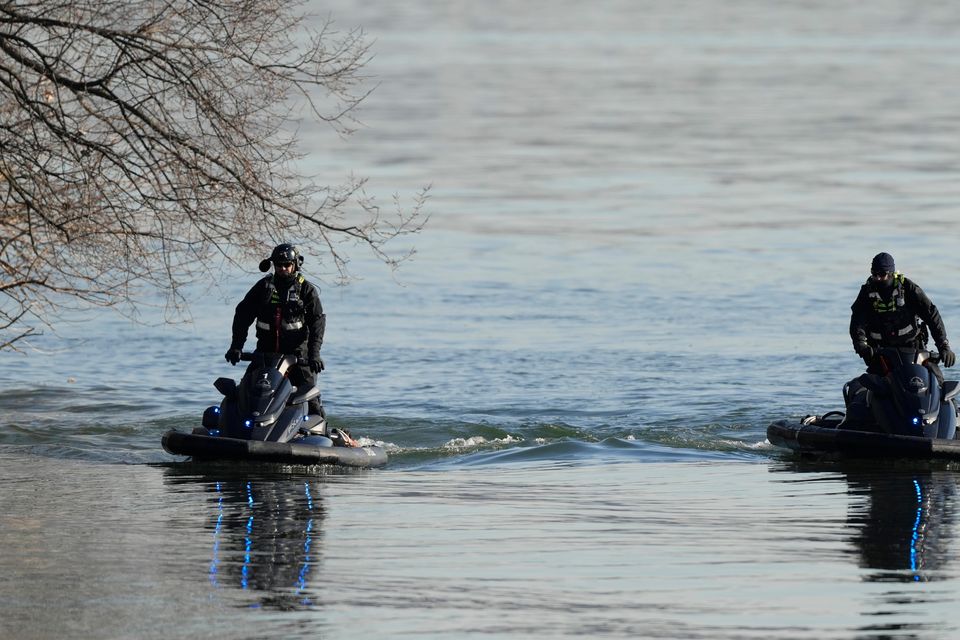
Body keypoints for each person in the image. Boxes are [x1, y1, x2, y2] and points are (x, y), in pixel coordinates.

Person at [225, 243, 326, 416]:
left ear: (295, 265)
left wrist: (314, 354)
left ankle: (320, 433)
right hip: (265, 354)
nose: (283, 269)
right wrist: (236, 346)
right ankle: (239, 427)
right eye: (278, 265)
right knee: (244, 393)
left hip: (298, 357)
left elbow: (317, 322)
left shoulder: (306, 290)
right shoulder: (263, 287)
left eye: (287, 265)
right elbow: (242, 315)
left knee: (311, 399)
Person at [849, 252, 956, 377]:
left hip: (912, 350)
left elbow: (932, 315)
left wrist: (944, 346)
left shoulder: (909, 289)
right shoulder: (867, 293)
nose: (878, 278)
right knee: (869, 384)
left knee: (935, 378)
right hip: (882, 353)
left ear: (891, 274)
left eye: (882, 274)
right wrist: (861, 346)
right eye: (874, 274)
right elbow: (857, 321)